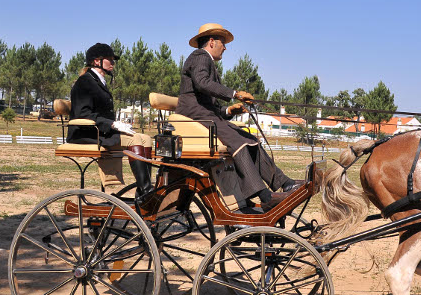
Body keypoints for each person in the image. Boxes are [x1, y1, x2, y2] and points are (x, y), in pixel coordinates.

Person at [176, 23, 302, 211]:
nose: (225, 47)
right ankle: (264, 195)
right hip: (194, 115)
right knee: (238, 141)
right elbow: (203, 84)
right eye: (223, 43)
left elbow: (210, 105)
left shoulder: (205, 61)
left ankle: (285, 183)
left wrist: (229, 111)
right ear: (211, 42)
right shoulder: (200, 57)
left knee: (249, 138)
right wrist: (234, 93)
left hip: (205, 115)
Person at [67, 43, 155, 206]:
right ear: (96, 62)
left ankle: (142, 191)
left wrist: (115, 124)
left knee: (145, 139)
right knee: (135, 140)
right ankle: (146, 190)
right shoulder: (84, 82)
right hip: (85, 133)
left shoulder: (98, 81)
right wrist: (112, 124)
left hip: (99, 130)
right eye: (109, 59)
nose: (113, 63)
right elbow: (83, 114)